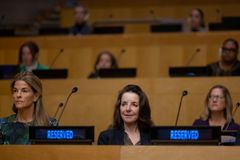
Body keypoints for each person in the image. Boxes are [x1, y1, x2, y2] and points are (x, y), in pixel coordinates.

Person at [0, 72, 57, 144]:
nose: (18, 95)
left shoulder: (50, 124)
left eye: (24, 91)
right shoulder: (2, 124)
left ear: (36, 96)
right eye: (15, 91)